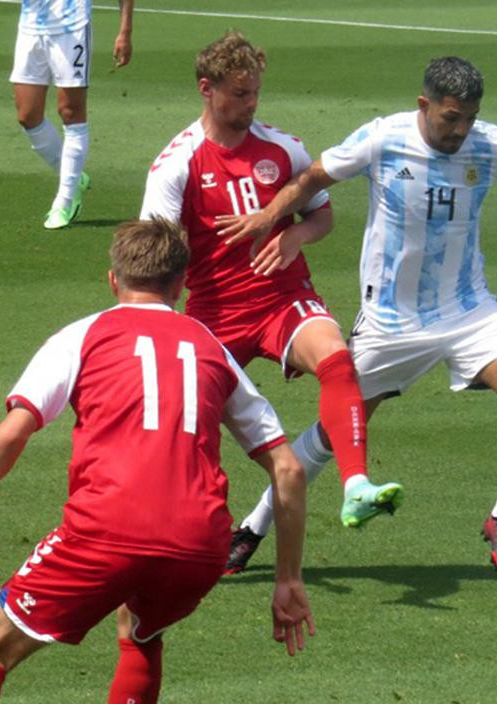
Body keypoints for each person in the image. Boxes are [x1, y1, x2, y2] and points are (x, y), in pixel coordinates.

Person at [0, 219, 314, 704]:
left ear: (113, 280)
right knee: (140, 630)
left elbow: (13, 432)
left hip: (105, 531)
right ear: (180, 283)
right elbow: (288, 469)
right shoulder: (210, 347)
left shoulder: (83, 335)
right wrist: (288, 579)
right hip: (198, 545)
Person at [218, 56, 497, 578]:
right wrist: (273, 218)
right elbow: (313, 177)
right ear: (424, 105)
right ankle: (252, 528)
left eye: (469, 117)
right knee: (337, 432)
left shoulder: (488, 145)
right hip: (391, 322)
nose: (461, 129)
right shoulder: (383, 139)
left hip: (468, 308)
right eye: (450, 117)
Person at [138, 30, 403, 576]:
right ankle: (193, 532)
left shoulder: (283, 149)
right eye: (239, 94)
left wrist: (297, 237)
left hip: (284, 299)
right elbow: (155, 255)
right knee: (189, 429)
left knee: (336, 359)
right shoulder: (177, 164)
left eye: (256, 92)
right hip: (214, 313)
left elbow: (322, 213)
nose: (250, 103)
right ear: (206, 89)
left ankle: (355, 484)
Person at [11, 0, 135, 229]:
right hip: (30, 26)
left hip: (71, 27)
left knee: (70, 112)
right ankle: (73, 176)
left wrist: (124, 31)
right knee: (27, 115)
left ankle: (65, 200)